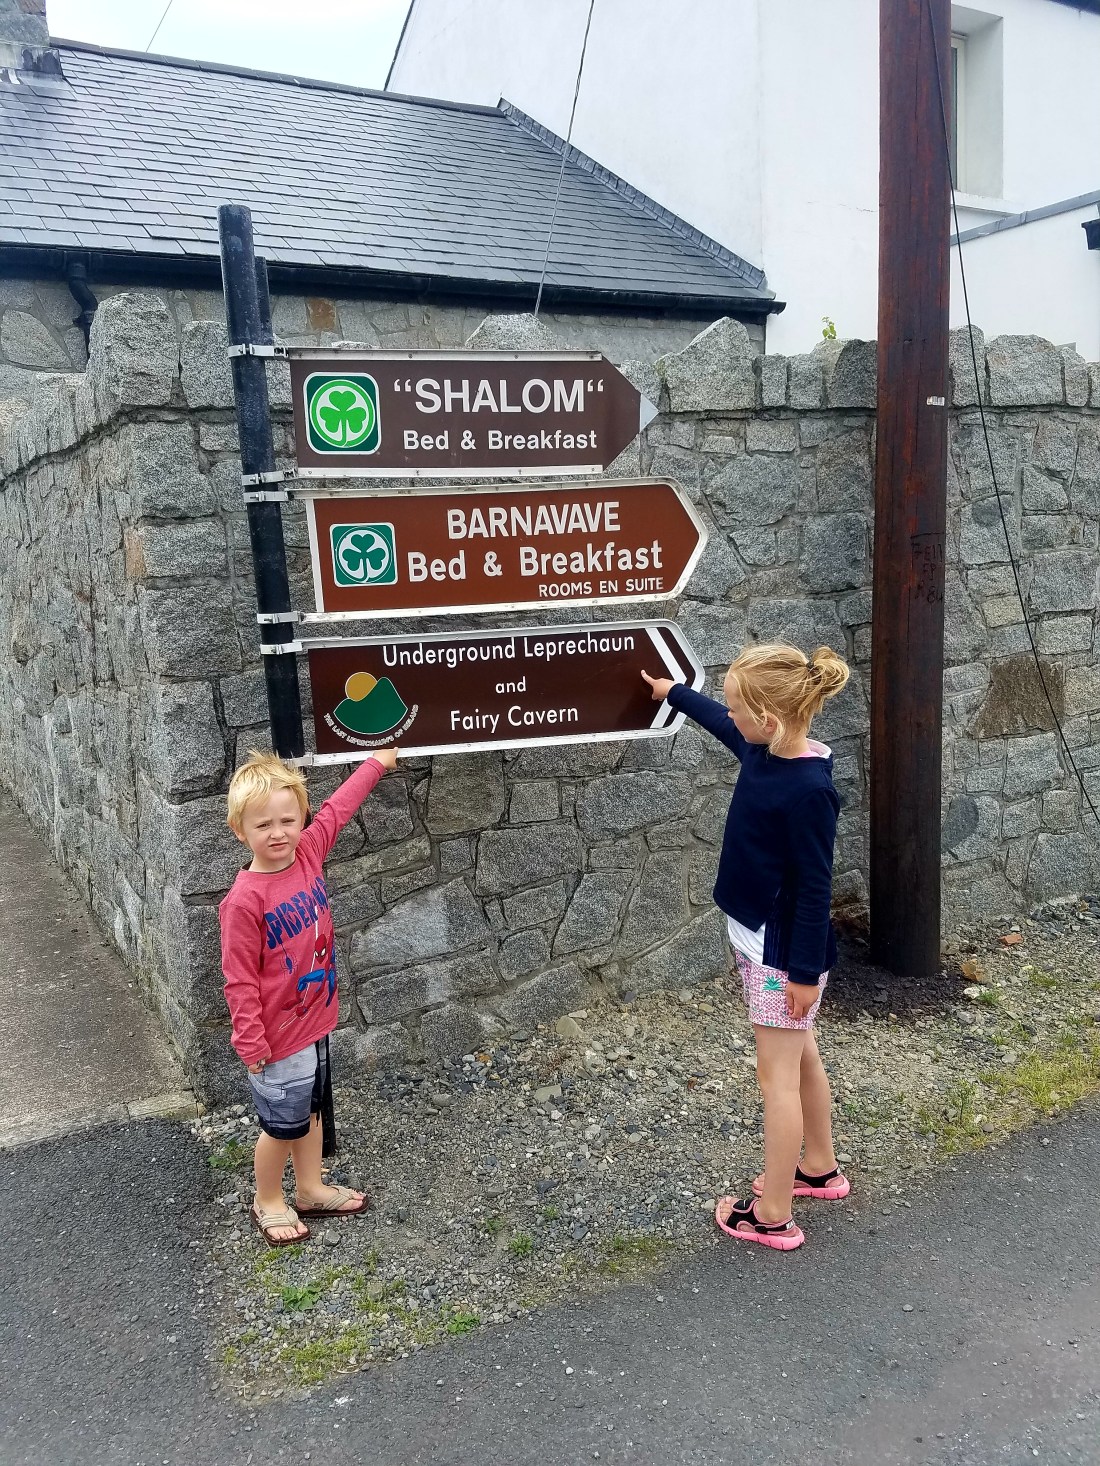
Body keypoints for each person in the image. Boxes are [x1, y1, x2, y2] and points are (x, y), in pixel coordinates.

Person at [642, 643, 851, 1252]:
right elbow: (719, 723)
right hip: (764, 941)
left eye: (738, 708)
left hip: (780, 954)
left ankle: (772, 1214)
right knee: (802, 1055)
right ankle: (819, 1168)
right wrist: (674, 694)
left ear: (769, 719)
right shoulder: (765, 751)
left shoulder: (809, 791)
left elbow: (815, 888)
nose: (729, 715)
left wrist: (803, 972)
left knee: (776, 1079)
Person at [220, 747, 398, 1247]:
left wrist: (377, 763)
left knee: (312, 1111)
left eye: (288, 820)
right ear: (240, 831)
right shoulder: (243, 901)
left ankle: (311, 1188)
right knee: (281, 1126)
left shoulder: (308, 853)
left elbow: (339, 807)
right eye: (263, 825)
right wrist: (250, 1040)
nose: (278, 833)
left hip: (314, 1022)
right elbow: (238, 979)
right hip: (276, 1040)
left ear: (301, 819)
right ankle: (268, 1199)